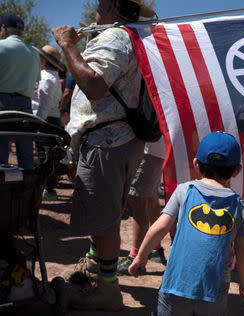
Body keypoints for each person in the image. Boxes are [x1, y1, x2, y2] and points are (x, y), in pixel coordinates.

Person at [52, 0, 156, 311]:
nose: (96, 9)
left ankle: (106, 290)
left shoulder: (115, 37)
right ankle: (96, 270)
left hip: (108, 142)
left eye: (99, 3)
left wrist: (69, 46)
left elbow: (95, 85)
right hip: (123, 139)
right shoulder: (135, 37)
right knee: (106, 213)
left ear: (111, 5)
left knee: (105, 219)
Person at [129, 131, 244, 315]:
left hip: (177, 280)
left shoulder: (184, 191)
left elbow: (159, 227)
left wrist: (141, 255)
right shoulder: (238, 204)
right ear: (236, 170)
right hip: (215, 286)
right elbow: (243, 251)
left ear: (196, 163)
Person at [117, 138, 167, 275]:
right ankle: (155, 248)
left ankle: (135, 258)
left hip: (148, 149)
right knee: (150, 198)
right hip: (156, 149)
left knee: (138, 202)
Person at [0, 13, 40, 169]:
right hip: (25, 105)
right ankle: (27, 191)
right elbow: (36, 81)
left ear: (3, 28)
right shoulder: (35, 53)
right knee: (25, 154)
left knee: (1, 154)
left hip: (2, 103)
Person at [31, 45, 65, 200]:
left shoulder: (45, 77)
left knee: (43, 154)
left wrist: (37, 122)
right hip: (53, 118)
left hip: (45, 120)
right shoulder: (54, 77)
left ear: (44, 59)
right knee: (49, 154)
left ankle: (47, 188)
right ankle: (49, 187)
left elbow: (43, 104)